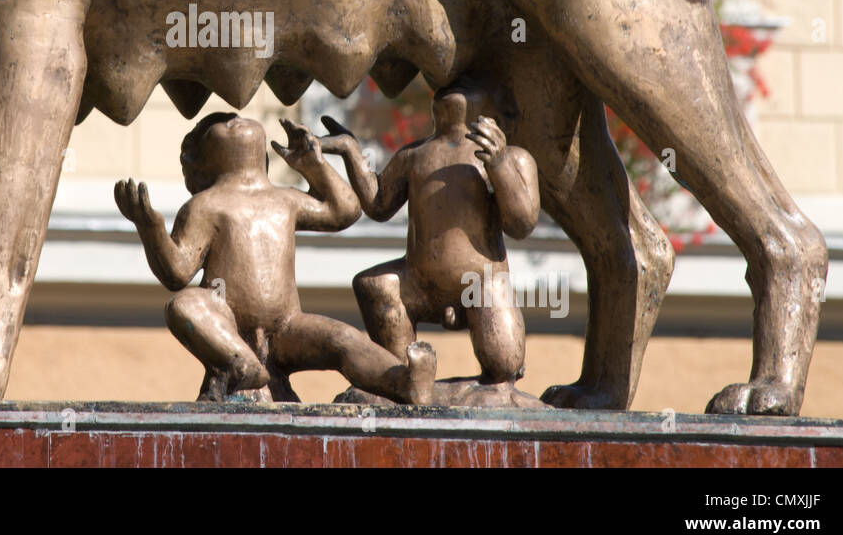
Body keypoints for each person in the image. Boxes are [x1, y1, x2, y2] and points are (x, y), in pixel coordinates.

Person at [115, 112, 435, 403]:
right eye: (219, 124)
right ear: (200, 163)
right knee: (183, 306)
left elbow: (345, 210)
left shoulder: (284, 199)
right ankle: (238, 362)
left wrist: (314, 166)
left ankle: (401, 381)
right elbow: (176, 273)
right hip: (229, 326)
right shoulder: (204, 206)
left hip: (288, 328)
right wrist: (151, 227)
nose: (235, 118)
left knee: (343, 339)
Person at [319, 79, 539, 388]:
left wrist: (499, 165)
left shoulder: (513, 157)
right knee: (376, 285)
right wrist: (350, 150)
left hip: (481, 283)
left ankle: (492, 374)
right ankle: (402, 378)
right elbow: (379, 204)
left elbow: (522, 224)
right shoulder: (415, 154)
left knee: (504, 364)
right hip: (419, 283)